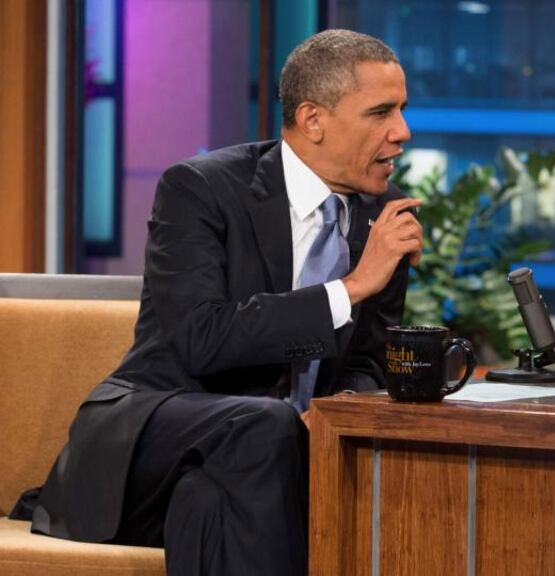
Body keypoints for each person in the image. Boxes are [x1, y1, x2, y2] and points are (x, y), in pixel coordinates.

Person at [14, 30, 421, 575]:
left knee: (208, 502)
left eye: (402, 110)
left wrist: (332, 414)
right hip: (154, 429)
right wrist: (349, 290)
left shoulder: (382, 215)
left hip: (263, 462)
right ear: (313, 119)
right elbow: (201, 339)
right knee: (265, 425)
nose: (402, 132)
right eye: (380, 112)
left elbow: (368, 363)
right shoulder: (200, 189)